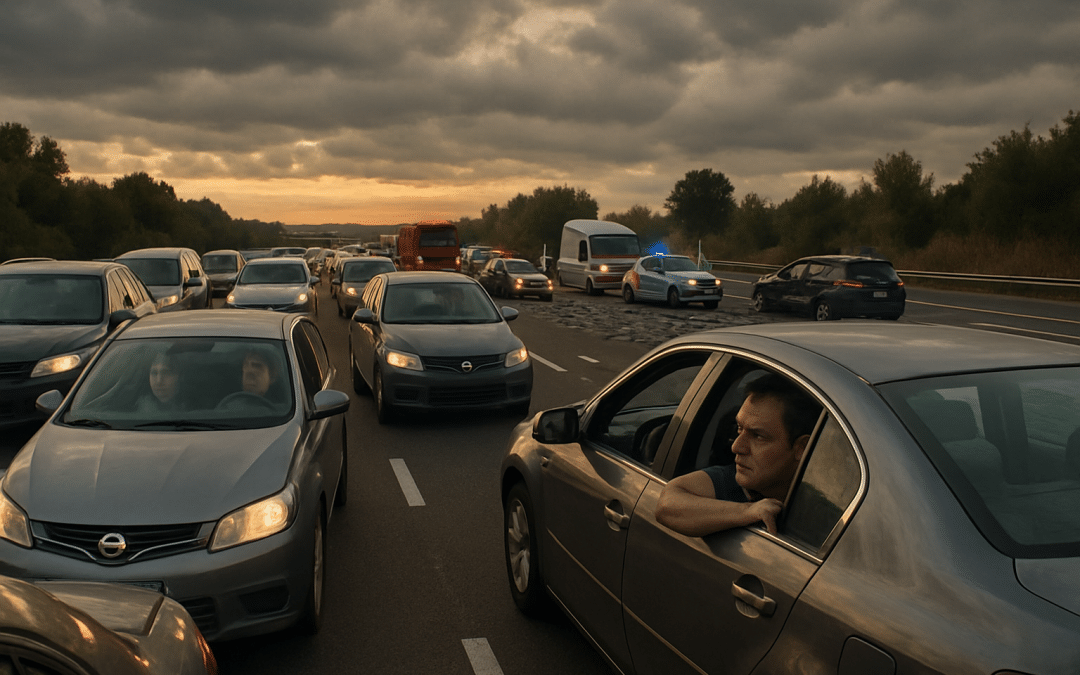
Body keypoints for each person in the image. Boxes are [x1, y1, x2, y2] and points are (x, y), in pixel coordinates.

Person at [655, 373, 820, 537]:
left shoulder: (822, 510)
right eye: (739, 428)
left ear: (802, 448)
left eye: (758, 436)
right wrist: (747, 511)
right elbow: (666, 504)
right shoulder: (731, 483)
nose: (736, 447)